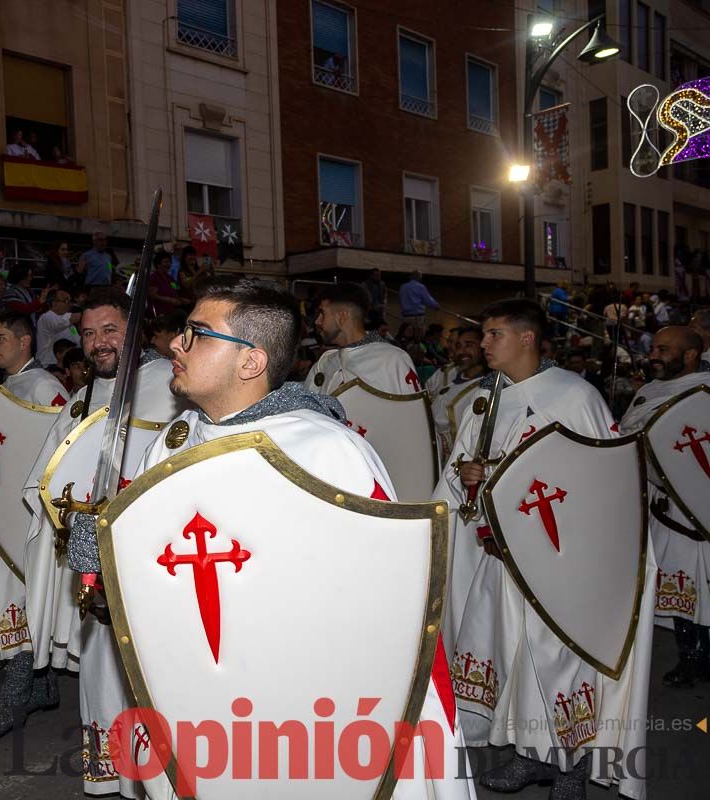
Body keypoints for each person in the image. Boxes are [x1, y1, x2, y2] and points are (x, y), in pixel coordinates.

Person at [103, 276, 476, 800]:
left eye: (197, 335)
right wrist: (102, 546)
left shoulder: (325, 449)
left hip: (295, 704)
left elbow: (392, 597)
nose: (175, 346)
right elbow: (148, 555)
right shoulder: (172, 439)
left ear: (251, 361)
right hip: (194, 684)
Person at [436, 299, 650, 800]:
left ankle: (571, 767)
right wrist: (469, 477)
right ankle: (529, 756)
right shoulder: (483, 400)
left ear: (526, 338)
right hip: (499, 555)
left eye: (494, 335)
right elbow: (462, 467)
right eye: (484, 335)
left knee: (558, 663)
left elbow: (604, 478)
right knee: (510, 660)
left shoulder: (573, 396)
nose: (483, 345)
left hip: (558, 562)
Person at [20, 287, 188, 796]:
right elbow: (44, 485)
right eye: (89, 334)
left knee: (156, 672)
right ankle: (113, 772)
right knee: (104, 667)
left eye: (110, 329)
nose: (98, 343)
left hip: (159, 559)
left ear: (135, 330)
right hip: (97, 568)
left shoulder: (171, 385)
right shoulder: (78, 402)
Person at [0, 313, 69, 740]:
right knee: (22, 599)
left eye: (1, 337)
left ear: (26, 341)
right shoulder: (8, 388)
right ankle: (43, 688)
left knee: (26, 601)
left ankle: (11, 703)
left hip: (29, 515)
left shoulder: (43, 386)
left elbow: (66, 443)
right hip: (5, 512)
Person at [619, 326, 709, 688]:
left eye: (663, 349)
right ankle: (690, 658)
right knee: (680, 590)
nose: (653, 355)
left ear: (689, 356)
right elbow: (627, 442)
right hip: (668, 512)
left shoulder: (704, 392)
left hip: (701, 506)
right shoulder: (647, 394)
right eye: (654, 348)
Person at [304, 282, 421, 394]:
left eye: (322, 313)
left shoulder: (393, 360)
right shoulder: (325, 362)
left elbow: (413, 411)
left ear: (342, 316)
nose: (317, 321)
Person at [429, 325, 487, 460]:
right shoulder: (451, 383)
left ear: (483, 348)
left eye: (469, 345)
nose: (462, 351)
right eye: (459, 346)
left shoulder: (485, 389)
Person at [35, 288, 79, 367]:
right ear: (54, 303)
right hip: (48, 365)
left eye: (70, 301)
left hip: (65, 364)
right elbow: (58, 325)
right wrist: (86, 314)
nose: (69, 304)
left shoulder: (70, 324)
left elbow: (77, 339)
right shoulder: (46, 317)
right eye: (66, 301)